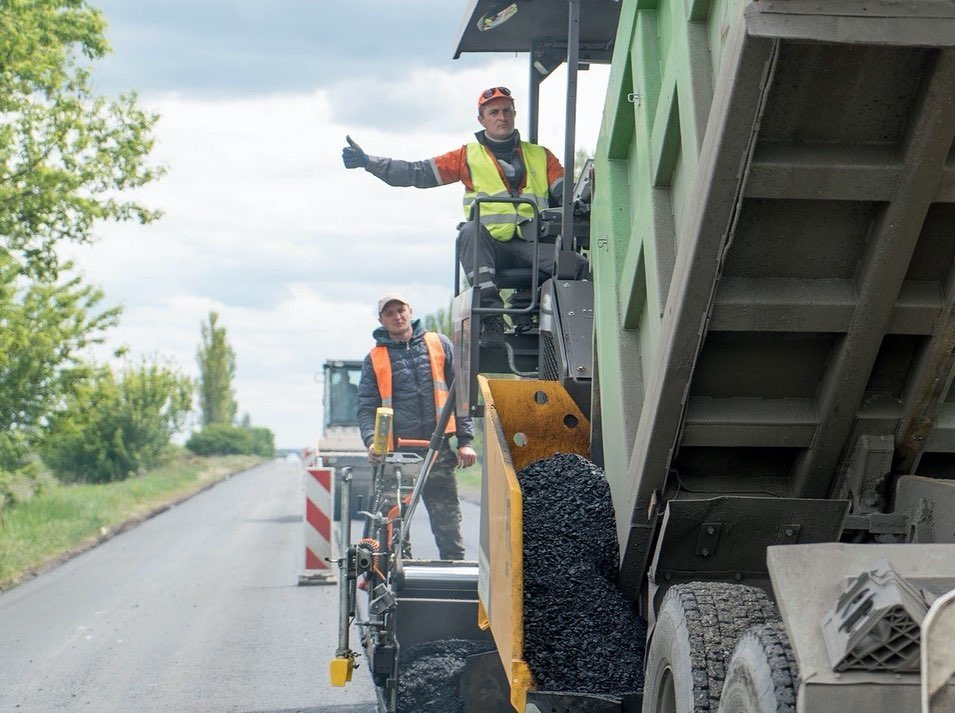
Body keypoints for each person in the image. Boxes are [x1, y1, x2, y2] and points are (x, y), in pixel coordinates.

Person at [342, 86, 564, 345]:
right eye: (494, 112)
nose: (501, 116)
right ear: (482, 120)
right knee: (469, 230)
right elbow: (417, 172)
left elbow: (563, 187)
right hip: (491, 248)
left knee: (576, 265)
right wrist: (369, 161)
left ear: (514, 114)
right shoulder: (466, 157)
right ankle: (491, 318)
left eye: (506, 111)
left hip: (533, 245)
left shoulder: (541, 156)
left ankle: (568, 326)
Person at [357, 293, 477, 560]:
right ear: (381, 321)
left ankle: (454, 577)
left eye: (400, 310)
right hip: (396, 457)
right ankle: (397, 583)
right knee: (393, 526)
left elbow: (462, 395)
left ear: (410, 311)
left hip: (439, 452)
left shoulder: (438, 344)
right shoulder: (375, 358)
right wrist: (370, 441)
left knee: (447, 521)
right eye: (389, 314)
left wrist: (466, 441)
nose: (397, 317)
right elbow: (366, 407)